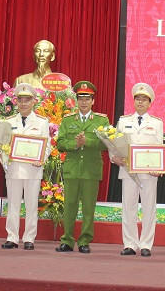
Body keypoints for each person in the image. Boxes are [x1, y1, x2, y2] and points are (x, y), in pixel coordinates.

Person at [55, 81, 109, 253]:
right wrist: (75, 144)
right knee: (69, 206)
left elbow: (107, 143)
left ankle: (85, 240)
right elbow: (60, 143)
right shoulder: (68, 120)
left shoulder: (101, 120)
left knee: (88, 208)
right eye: (81, 99)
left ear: (93, 101)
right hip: (72, 170)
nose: (84, 102)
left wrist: (88, 141)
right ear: (76, 100)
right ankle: (67, 240)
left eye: (87, 99)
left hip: (90, 170)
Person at [111, 83, 164, 257]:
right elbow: (114, 143)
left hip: (149, 173)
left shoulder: (156, 123)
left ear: (150, 103)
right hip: (128, 171)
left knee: (149, 209)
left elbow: (159, 147)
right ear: (133, 101)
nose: (140, 102)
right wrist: (114, 158)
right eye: (138, 99)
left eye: (144, 100)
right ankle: (130, 244)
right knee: (129, 208)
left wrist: (159, 167)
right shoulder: (124, 121)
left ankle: (146, 244)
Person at [0, 83, 50, 250]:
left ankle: (29, 238)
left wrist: (41, 159)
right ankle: (12, 237)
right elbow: (2, 145)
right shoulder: (8, 122)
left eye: (27, 100)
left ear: (33, 101)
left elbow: (47, 146)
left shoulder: (42, 122)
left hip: (33, 169)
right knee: (13, 205)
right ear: (16, 102)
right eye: (20, 100)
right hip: (14, 168)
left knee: (31, 205)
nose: (23, 103)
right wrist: (5, 160)